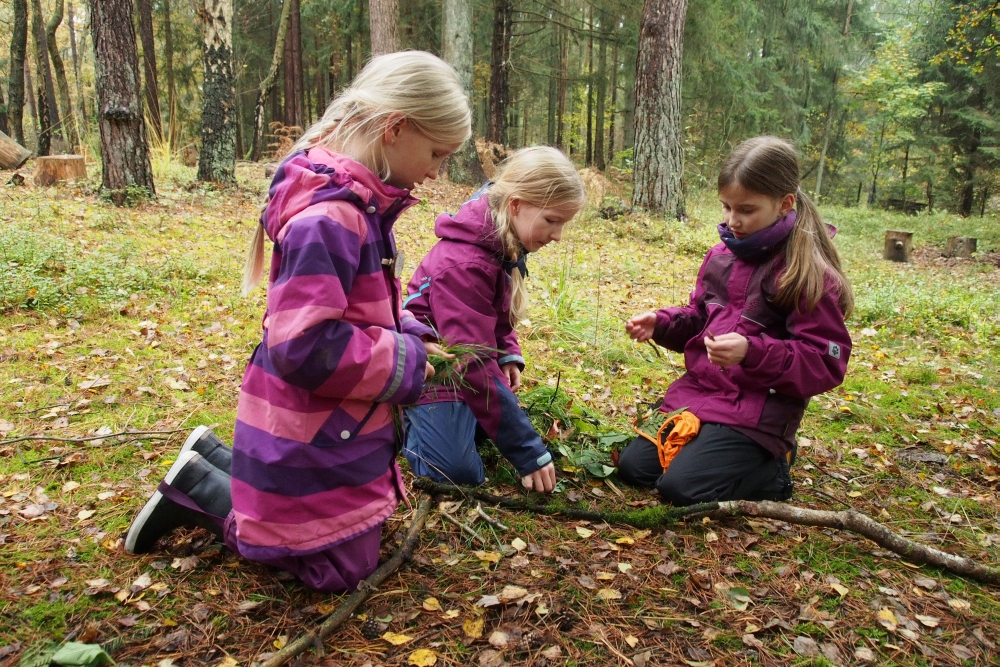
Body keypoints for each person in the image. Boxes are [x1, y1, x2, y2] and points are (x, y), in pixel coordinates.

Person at [123, 51, 472, 592]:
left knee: (350, 536)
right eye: (435, 153)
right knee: (339, 569)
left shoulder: (358, 204)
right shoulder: (331, 217)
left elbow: (358, 304)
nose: (435, 172)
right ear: (395, 127)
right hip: (315, 421)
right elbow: (305, 344)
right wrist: (407, 361)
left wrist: (410, 330)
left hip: (331, 421)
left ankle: (216, 457)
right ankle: (201, 490)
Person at [618, 136, 854, 506]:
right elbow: (700, 318)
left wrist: (751, 353)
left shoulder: (807, 274)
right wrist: (661, 323)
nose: (732, 221)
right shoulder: (721, 255)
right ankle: (714, 455)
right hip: (702, 396)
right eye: (726, 207)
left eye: (746, 209)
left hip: (758, 413)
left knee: (680, 490)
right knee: (635, 469)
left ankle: (773, 470)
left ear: (784, 204)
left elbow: (824, 362)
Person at [402, 146, 586, 493]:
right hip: (430, 366)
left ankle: (465, 418)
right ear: (516, 204)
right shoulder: (466, 262)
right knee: (457, 472)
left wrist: (507, 352)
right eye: (552, 220)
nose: (558, 235)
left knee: (481, 425)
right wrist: (529, 452)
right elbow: (471, 361)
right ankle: (401, 419)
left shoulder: (501, 244)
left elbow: (493, 314)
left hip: (460, 364)